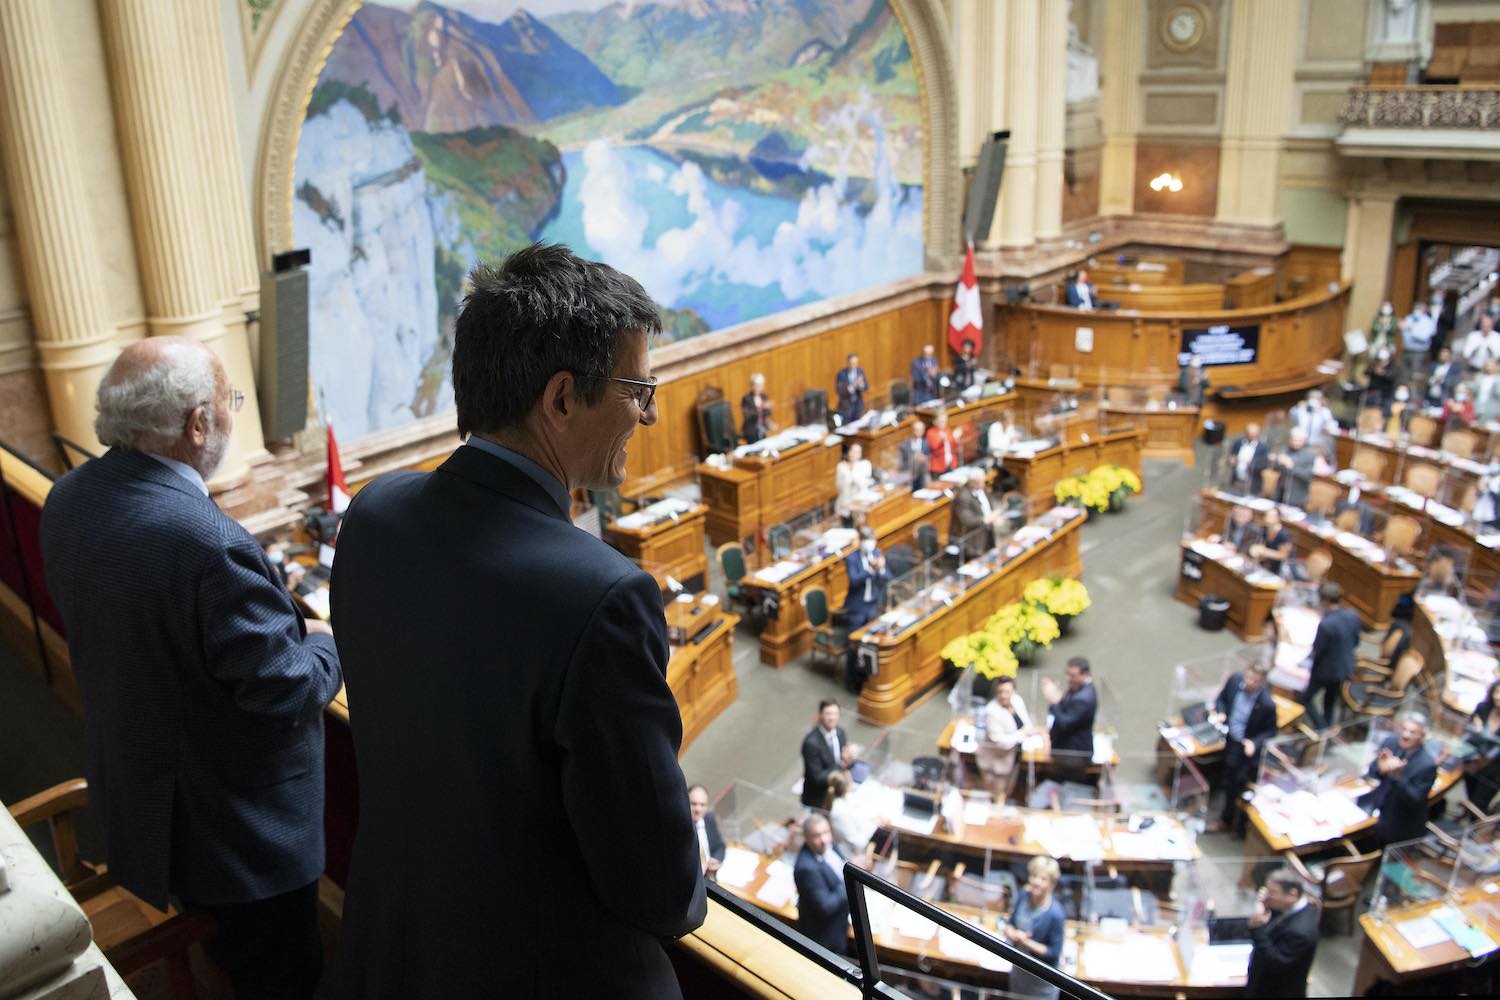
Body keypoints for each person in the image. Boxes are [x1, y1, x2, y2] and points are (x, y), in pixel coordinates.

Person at [331, 245, 705, 999]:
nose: (650, 412)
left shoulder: (373, 513)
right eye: (638, 388)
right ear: (562, 400)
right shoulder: (601, 597)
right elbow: (660, 891)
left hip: (394, 947)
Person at [39, 338, 343, 1000]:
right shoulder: (207, 542)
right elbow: (287, 687)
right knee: (279, 978)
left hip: (142, 801)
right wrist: (324, 641)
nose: (234, 413)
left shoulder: (69, 497)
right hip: (239, 841)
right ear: (198, 423)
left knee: (222, 960)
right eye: (231, 399)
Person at [1207, 663, 1277, 832]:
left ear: (1261, 683)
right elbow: (1221, 698)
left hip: (1243, 746)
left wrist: (1254, 742)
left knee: (1235, 783)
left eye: (1254, 680)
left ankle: (1226, 820)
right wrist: (1221, 712)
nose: (1248, 682)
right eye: (1248, 677)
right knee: (1218, 767)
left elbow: (1271, 731)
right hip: (1226, 736)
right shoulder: (1234, 681)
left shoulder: (1266, 704)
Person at [1359, 713, 1439, 846]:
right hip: (1378, 809)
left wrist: (1398, 777)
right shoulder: (1390, 742)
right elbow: (1373, 772)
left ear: (1422, 737)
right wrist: (1380, 769)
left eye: (1412, 732)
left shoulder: (1427, 765)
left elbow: (1415, 799)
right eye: (1404, 729)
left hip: (1401, 824)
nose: (1405, 735)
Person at [1245, 867, 1320, 998]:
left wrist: (1257, 928)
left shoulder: (1301, 932)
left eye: (1272, 892)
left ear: (1292, 894)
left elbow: (1276, 964)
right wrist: (1267, 905)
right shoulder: (1292, 907)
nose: (1266, 895)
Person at [1003, 857, 1066, 1000]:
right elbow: (1011, 922)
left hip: (1041, 980)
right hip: (1019, 971)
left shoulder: (1055, 914)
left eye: (1043, 879)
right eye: (1034, 876)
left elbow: (1053, 952)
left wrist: (1025, 941)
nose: (1036, 882)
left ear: (1052, 884)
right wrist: (1010, 931)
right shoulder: (1023, 895)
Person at [1302, 581, 1361, 730]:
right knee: (1330, 699)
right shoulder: (1353, 615)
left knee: (1304, 698)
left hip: (1326, 671)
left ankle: (1321, 728)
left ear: (1325, 600)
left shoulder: (1326, 625)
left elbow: (1317, 650)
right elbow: (1356, 641)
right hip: (1345, 668)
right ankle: (1327, 725)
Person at [793, 814, 850, 955]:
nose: (824, 840)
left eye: (826, 832)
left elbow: (840, 865)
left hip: (841, 924)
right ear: (806, 838)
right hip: (825, 939)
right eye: (817, 836)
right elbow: (826, 906)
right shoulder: (807, 868)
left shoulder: (830, 846)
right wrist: (850, 880)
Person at [976, 675, 1036, 801]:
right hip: (996, 762)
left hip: (1013, 755)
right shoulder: (992, 711)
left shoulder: (1017, 701)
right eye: (1000, 692)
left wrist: (1026, 731)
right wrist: (1023, 734)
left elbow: (1026, 722)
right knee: (997, 794)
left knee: (1009, 788)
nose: (1003, 695)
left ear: (1014, 691)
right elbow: (1001, 742)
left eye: (1007, 692)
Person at [842, 527, 888, 691]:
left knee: (871, 644)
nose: (871, 544)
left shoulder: (877, 553)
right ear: (861, 541)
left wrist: (881, 569)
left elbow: (887, 577)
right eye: (868, 540)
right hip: (857, 607)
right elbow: (854, 581)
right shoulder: (851, 558)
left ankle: (865, 678)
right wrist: (871, 570)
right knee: (854, 644)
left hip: (873, 605)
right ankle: (850, 682)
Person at [1041, 657, 1098, 782]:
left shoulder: (1084, 698)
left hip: (1073, 756)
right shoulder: (1077, 688)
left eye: (1072, 676)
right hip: (1065, 751)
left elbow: (1065, 723)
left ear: (1085, 675)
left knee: (1067, 785)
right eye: (1067, 675)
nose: (1068, 679)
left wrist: (1054, 702)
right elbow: (1065, 707)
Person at [824, 770, 889, 859]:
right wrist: (874, 824)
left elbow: (863, 814)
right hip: (849, 856)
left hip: (860, 846)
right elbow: (857, 841)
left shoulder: (848, 798)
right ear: (848, 785)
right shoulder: (839, 812)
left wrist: (875, 819)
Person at [801, 700, 850, 807]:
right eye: (828, 714)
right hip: (818, 797)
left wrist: (849, 760)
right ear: (820, 715)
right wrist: (840, 765)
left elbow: (844, 760)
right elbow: (816, 777)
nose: (832, 718)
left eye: (835, 714)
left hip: (837, 791)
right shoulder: (811, 743)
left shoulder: (840, 733)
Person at [1464, 680, 1500, 813]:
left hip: (1493, 772)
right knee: (1471, 797)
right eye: (1497, 692)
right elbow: (1468, 731)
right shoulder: (1483, 709)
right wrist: (1476, 729)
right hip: (1472, 762)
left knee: (1479, 804)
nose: (1498, 697)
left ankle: (1476, 828)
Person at [951, 470, 1002, 557]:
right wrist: (986, 519)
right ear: (973, 482)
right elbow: (967, 520)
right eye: (982, 482)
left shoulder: (981, 488)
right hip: (973, 539)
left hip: (987, 532)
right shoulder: (963, 496)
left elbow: (988, 504)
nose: (984, 484)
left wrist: (994, 516)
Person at [688, 784, 726, 881]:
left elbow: (720, 846)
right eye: (693, 804)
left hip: (713, 875)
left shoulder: (709, 819)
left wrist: (716, 859)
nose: (698, 809)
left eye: (702, 805)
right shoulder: (681, 827)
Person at [1273, 428, 1318, 509]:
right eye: (1294, 440)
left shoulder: (1309, 456)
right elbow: (1275, 469)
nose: (1296, 442)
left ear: (1304, 441)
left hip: (1297, 495)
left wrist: (1292, 467)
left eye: (1299, 440)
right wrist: (1278, 461)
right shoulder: (1285, 450)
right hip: (1281, 491)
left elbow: (1308, 476)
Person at [834, 442, 874, 525]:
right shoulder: (841, 466)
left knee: (861, 527)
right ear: (848, 452)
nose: (854, 454)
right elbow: (839, 486)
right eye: (852, 451)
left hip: (860, 504)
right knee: (847, 527)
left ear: (861, 454)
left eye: (857, 452)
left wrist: (853, 473)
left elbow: (862, 484)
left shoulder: (865, 465)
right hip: (845, 504)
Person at [1398, 301, 1436, 386]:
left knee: (1415, 376)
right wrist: (1401, 328)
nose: (1417, 311)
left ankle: (1413, 396)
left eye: (1419, 309)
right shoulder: (1409, 318)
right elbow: (1403, 333)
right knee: (1403, 375)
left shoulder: (1427, 322)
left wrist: (1411, 328)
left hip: (1419, 353)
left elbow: (1424, 337)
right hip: (1406, 350)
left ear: (1424, 310)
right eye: (1416, 308)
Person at [1227, 422, 1269, 496]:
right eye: (1249, 433)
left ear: (1257, 434)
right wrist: (1231, 460)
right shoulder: (1238, 443)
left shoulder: (1263, 448)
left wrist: (1251, 462)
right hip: (1237, 480)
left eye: (1253, 433)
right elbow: (1231, 456)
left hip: (1252, 483)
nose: (1251, 435)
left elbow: (1264, 465)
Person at [1249, 507, 1293, 576]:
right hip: (1267, 564)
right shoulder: (1265, 529)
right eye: (1267, 516)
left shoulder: (1283, 534)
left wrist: (1265, 551)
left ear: (1278, 518)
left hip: (1279, 569)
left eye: (1271, 516)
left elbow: (1284, 555)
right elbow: (1263, 546)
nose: (1268, 518)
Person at [925, 409, 962, 478]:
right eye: (942, 421)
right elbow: (933, 448)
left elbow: (954, 446)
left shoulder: (947, 430)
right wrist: (944, 439)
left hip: (950, 464)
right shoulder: (931, 433)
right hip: (938, 467)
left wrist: (956, 438)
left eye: (945, 421)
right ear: (935, 422)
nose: (944, 423)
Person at [836, 352, 869, 424]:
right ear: (847, 363)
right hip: (846, 407)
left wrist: (861, 384)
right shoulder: (842, 374)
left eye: (855, 363)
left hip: (858, 406)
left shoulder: (860, 371)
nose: (854, 365)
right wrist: (854, 385)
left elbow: (866, 387)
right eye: (852, 363)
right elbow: (839, 391)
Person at [741, 372, 774, 443]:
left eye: (762, 385)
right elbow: (748, 416)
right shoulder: (747, 399)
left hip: (763, 428)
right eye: (758, 385)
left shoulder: (763, 396)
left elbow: (768, 413)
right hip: (752, 431)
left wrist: (768, 408)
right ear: (753, 386)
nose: (760, 388)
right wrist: (761, 407)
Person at [900, 418, 929, 488]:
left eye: (920, 430)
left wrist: (925, 459)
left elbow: (929, 458)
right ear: (912, 430)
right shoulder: (905, 444)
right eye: (916, 430)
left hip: (921, 476)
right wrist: (912, 458)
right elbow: (900, 462)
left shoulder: (925, 444)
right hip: (909, 477)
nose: (918, 432)